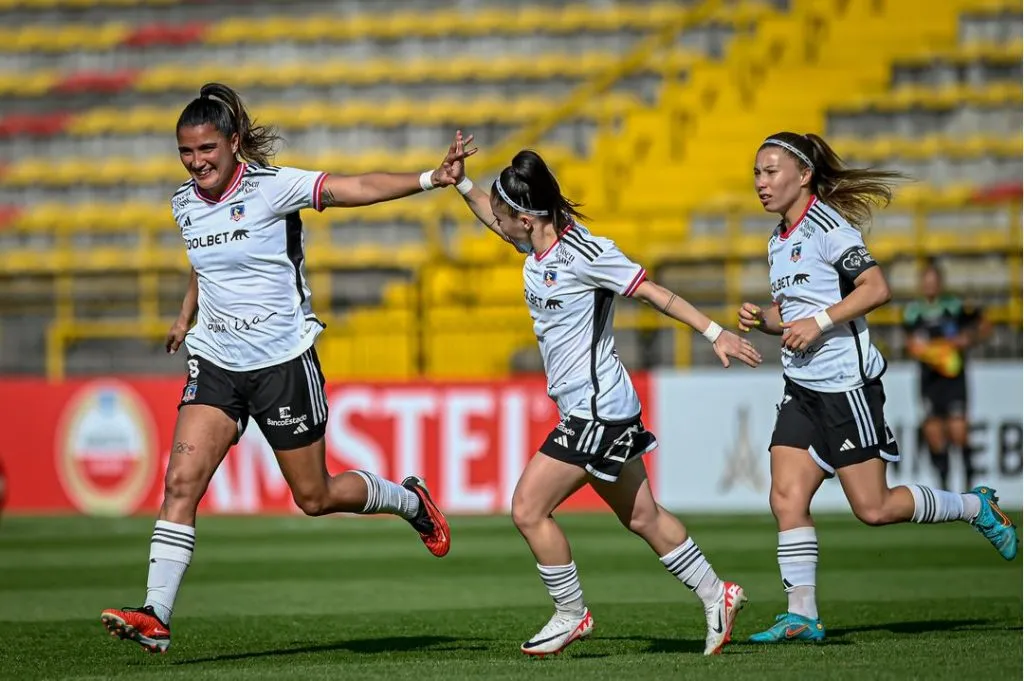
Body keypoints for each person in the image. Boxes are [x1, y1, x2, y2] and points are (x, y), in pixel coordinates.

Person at [101, 83, 472, 653]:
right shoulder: (183, 202)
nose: (197, 162)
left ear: (233, 142)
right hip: (217, 362)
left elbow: (357, 188)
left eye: (207, 149)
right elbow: (206, 265)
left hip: (282, 363)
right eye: (186, 152)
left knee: (315, 496)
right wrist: (185, 318)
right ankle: (156, 614)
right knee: (180, 483)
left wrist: (430, 179)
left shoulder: (274, 188)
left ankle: (409, 501)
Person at [450, 132, 763, 656]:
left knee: (528, 508)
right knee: (643, 516)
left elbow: (656, 293)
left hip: (597, 411)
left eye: (506, 219)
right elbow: (493, 215)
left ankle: (571, 613)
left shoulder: (587, 254)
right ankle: (718, 593)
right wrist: (461, 184)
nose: (500, 226)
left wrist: (715, 334)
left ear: (527, 219)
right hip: (598, 408)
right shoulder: (536, 240)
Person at [737, 131, 1018, 644]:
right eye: (757, 172)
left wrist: (819, 322)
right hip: (802, 386)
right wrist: (765, 320)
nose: (761, 182)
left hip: (847, 387)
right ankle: (802, 614)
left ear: (804, 176)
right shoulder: (778, 239)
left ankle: (976, 507)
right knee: (786, 495)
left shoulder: (828, 226)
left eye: (771, 170)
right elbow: (795, 314)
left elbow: (876, 288)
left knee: (874, 508)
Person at [903, 260, 989, 490]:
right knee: (934, 436)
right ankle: (945, 491)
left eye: (933, 281)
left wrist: (967, 340)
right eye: (926, 281)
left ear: (940, 283)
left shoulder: (954, 306)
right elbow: (910, 343)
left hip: (953, 379)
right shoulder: (913, 312)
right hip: (929, 380)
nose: (930, 286)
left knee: (959, 432)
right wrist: (927, 352)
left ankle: (970, 488)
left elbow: (982, 325)